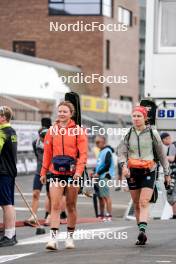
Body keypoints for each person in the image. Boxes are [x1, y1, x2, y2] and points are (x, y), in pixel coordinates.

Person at [118, 106, 171, 245]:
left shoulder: (153, 133)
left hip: (149, 170)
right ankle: (141, 232)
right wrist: (123, 166)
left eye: (139, 116)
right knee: (136, 204)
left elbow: (162, 155)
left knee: (143, 201)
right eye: (134, 116)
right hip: (133, 171)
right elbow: (122, 153)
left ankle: (143, 230)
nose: (136, 118)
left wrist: (167, 174)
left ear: (145, 118)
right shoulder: (128, 133)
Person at [40, 101, 88, 250]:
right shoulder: (51, 131)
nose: (61, 113)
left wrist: (79, 172)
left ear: (71, 114)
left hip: (73, 174)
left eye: (64, 111)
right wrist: (43, 172)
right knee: (55, 205)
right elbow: (47, 153)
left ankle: (69, 238)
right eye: (59, 111)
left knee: (71, 206)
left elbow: (83, 155)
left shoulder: (78, 131)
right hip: (55, 173)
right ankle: (53, 240)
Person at [0, 106, 18, 247]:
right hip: (9, 171)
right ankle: (10, 232)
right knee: (8, 203)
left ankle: (9, 235)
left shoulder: (2, 132)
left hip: (3, 172)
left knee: (6, 204)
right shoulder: (11, 131)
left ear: (3, 117)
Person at [26, 128, 51, 225]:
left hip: (50, 172)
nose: (43, 140)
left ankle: (49, 215)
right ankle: (33, 215)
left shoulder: (52, 143)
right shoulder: (34, 143)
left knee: (50, 195)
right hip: (39, 171)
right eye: (41, 138)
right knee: (35, 193)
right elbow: (38, 157)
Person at [93, 135, 115, 221]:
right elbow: (100, 164)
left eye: (98, 142)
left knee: (106, 196)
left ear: (104, 142)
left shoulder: (107, 151)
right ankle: (101, 214)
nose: (97, 144)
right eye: (96, 143)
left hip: (104, 176)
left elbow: (107, 164)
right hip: (99, 176)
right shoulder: (101, 151)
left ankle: (109, 214)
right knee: (100, 197)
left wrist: (98, 173)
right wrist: (94, 171)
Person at [161, 132, 176, 219]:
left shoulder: (172, 146)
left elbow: (172, 158)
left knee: (171, 194)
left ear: (165, 139)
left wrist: (161, 157)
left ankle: (175, 215)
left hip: (173, 174)